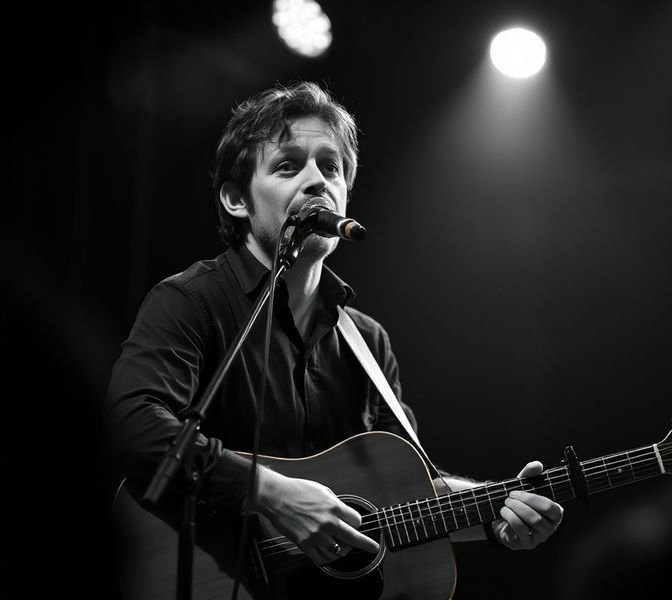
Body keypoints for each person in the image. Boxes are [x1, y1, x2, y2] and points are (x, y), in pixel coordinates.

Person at [105, 80, 563, 592]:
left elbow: (405, 495)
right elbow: (132, 426)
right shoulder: (191, 302)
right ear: (237, 200)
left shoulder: (367, 342)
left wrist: (494, 513)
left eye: (331, 166)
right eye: (288, 165)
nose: (317, 181)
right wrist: (270, 493)